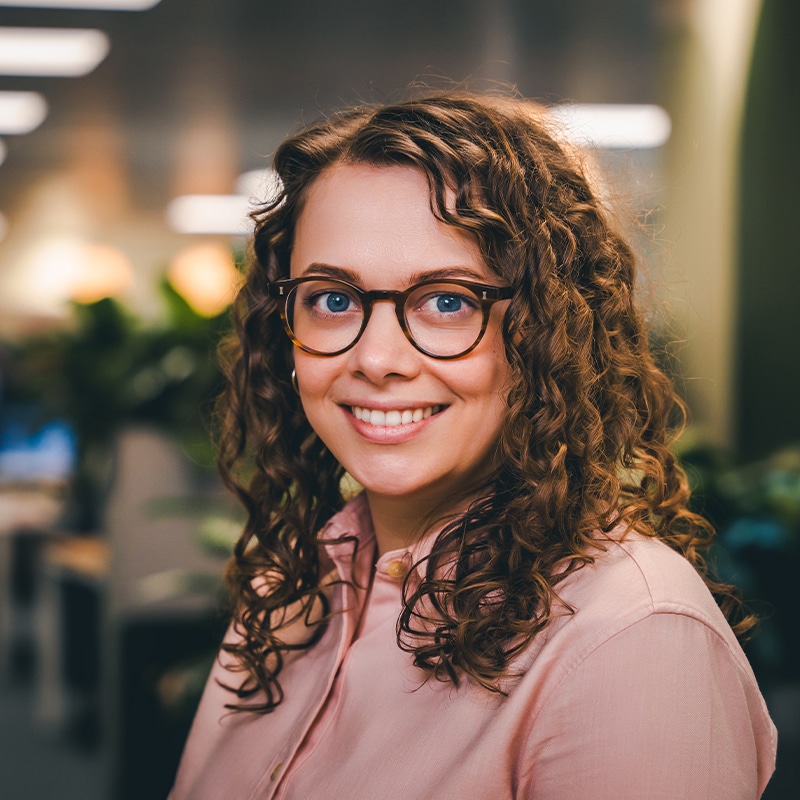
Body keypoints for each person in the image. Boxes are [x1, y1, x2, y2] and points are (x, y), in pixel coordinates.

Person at [170, 91, 777, 799]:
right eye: (334, 299)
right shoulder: (291, 589)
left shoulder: (631, 638)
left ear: (546, 331)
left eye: (448, 299)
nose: (377, 359)